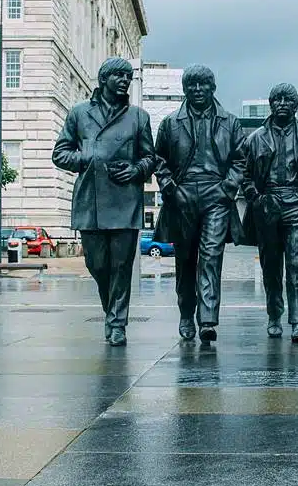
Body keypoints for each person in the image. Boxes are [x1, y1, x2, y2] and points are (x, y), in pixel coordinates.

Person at [52, 57, 155, 346]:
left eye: (128, 76)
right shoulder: (79, 114)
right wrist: (86, 158)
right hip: (91, 201)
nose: (124, 81)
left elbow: (150, 157)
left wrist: (137, 169)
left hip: (125, 201)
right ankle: (111, 312)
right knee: (97, 265)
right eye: (119, 76)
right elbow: (60, 153)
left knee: (122, 267)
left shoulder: (138, 117)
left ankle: (117, 323)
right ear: (104, 79)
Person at [153, 64, 246, 344]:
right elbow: (160, 161)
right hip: (182, 196)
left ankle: (207, 319)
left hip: (216, 195)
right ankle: (185, 313)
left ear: (212, 87)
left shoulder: (230, 122)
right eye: (191, 85)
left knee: (210, 255)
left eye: (203, 84)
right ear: (184, 89)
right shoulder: (170, 123)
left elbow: (240, 160)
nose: (197, 90)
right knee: (186, 260)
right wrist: (171, 188)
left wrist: (227, 188)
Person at [240, 83, 298, 343]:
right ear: (271, 104)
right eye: (277, 99)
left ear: (296, 106)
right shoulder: (255, 139)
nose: (283, 104)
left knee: (297, 267)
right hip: (268, 205)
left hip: (296, 206)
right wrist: (257, 198)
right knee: (271, 267)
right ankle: (274, 316)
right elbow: (244, 176)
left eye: (288, 100)